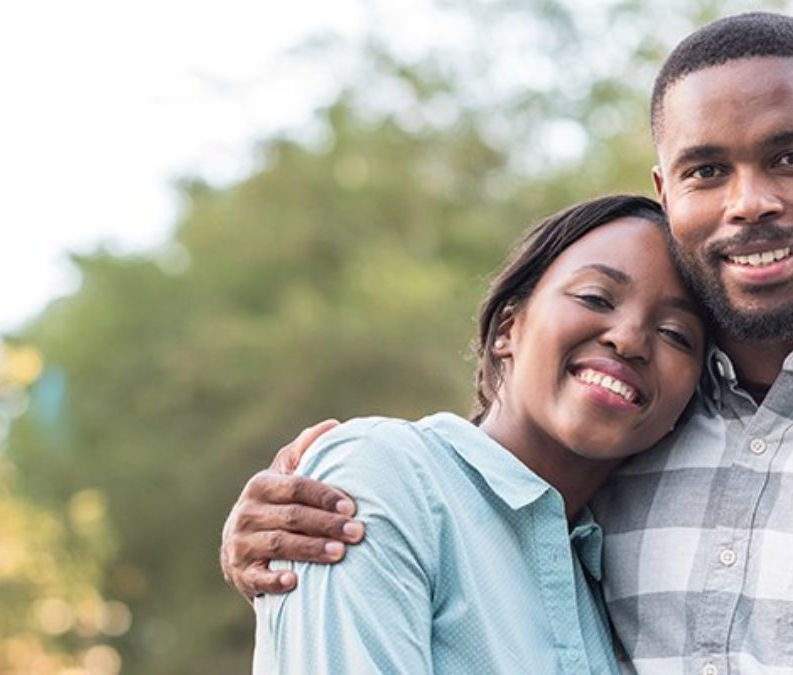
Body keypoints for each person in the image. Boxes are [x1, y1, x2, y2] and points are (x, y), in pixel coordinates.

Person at [223, 12, 793, 674]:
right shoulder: (635, 442)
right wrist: (293, 519)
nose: (748, 200)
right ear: (667, 185)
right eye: (706, 169)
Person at [249, 194, 708, 673]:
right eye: (595, 298)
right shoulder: (383, 474)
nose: (630, 339)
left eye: (676, 333)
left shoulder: (612, 583)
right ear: (507, 328)